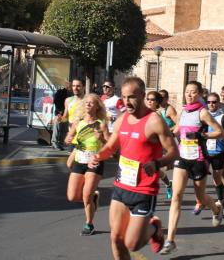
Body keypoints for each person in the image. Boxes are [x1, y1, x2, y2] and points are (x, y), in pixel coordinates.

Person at [88, 77, 177, 259]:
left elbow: (173, 151)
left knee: (132, 244)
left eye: (132, 97)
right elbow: (111, 147)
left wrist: (158, 163)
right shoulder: (122, 119)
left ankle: (154, 229)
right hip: (121, 188)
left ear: (143, 96)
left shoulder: (154, 121)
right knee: (116, 238)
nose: (127, 102)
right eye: (124, 97)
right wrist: (97, 156)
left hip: (144, 190)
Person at [161, 82, 224, 255]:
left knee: (201, 197)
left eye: (193, 92)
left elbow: (220, 132)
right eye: (187, 92)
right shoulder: (182, 110)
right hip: (182, 158)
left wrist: (203, 134)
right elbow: (177, 130)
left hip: (199, 159)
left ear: (199, 94)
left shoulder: (202, 112)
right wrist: (162, 135)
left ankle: (216, 209)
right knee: (176, 196)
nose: (189, 95)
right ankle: (170, 240)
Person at [65, 94, 110, 236]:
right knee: (72, 197)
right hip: (79, 159)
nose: (89, 105)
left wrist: (101, 138)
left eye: (92, 103)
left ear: (97, 106)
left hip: (95, 160)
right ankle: (93, 198)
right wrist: (69, 138)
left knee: (86, 194)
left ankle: (89, 224)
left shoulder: (101, 123)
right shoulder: (78, 123)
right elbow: (68, 138)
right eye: (87, 103)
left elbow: (110, 145)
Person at [202, 93, 224, 205]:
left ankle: (221, 199)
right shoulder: (202, 116)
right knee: (201, 178)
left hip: (217, 152)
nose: (211, 104)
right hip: (204, 152)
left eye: (214, 102)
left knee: (216, 178)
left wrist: (219, 134)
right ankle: (199, 201)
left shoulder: (223, 118)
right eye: (209, 102)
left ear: (218, 103)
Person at [145, 90, 173, 200]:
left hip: (155, 146)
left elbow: (163, 134)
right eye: (148, 99)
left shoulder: (158, 115)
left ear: (157, 102)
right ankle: (168, 184)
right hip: (144, 145)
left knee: (153, 170)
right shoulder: (142, 113)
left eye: (153, 100)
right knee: (150, 169)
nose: (150, 101)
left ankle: (149, 195)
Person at [58, 79, 85, 154]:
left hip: (85, 138)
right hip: (72, 138)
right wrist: (60, 119)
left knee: (82, 163)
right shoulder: (68, 100)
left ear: (84, 87)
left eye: (78, 86)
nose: (75, 88)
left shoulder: (88, 101)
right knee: (72, 164)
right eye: (73, 86)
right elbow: (65, 118)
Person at [52, 81, 72, 150]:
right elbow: (55, 101)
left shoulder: (70, 94)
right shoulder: (61, 92)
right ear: (67, 86)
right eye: (70, 86)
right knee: (57, 129)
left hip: (65, 114)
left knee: (63, 130)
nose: (71, 88)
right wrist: (59, 112)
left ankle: (59, 144)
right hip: (59, 114)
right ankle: (55, 144)